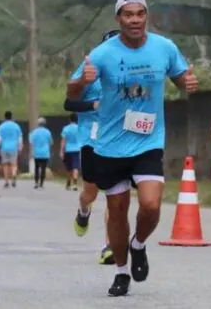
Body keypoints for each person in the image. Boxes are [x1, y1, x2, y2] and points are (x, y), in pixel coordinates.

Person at [66, 0, 199, 296]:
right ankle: (121, 271)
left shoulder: (164, 48)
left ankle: (138, 244)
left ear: (146, 16)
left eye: (140, 14)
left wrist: (187, 84)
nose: (135, 20)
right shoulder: (101, 54)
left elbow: (180, 77)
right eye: (128, 15)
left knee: (151, 205)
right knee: (117, 210)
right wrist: (81, 82)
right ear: (119, 19)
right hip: (110, 146)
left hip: (148, 141)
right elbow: (71, 94)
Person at [66, 29, 121, 266]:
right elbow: (69, 102)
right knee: (91, 192)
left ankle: (110, 245)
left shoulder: (128, 72)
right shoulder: (89, 69)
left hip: (119, 140)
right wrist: (93, 102)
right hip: (91, 139)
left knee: (115, 194)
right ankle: (83, 210)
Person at [0, 111, 23, 188]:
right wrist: (20, 148)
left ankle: (6, 181)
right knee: (14, 164)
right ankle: (14, 176)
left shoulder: (1, 126)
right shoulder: (16, 126)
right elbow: (20, 138)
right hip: (14, 147)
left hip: (4, 147)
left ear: (5, 117)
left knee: (5, 165)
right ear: (12, 117)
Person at [28, 117, 53, 189]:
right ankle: (41, 183)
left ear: (38, 124)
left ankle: (36, 182)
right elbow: (51, 142)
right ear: (44, 124)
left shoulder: (34, 132)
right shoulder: (48, 132)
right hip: (45, 153)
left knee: (36, 168)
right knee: (43, 168)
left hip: (37, 152)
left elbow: (31, 142)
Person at [60, 113, 80, 191]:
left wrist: (61, 151)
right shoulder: (79, 128)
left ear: (70, 119)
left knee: (69, 168)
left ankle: (68, 182)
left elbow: (63, 141)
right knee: (75, 166)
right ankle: (75, 183)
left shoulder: (66, 128)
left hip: (68, 150)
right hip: (77, 149)